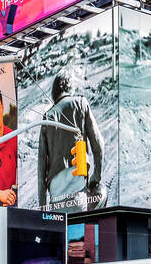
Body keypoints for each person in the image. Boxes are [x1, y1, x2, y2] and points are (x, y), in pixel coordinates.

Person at [38, 70, 104, 211]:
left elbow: (41, 166)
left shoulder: (47, 116)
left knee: (61, 232)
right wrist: (96, 176)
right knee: (82, 229)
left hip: (56, 192)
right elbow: (98, 144)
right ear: (69, 87)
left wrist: (42, 206)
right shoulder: (81, 103)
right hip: (77, 183)